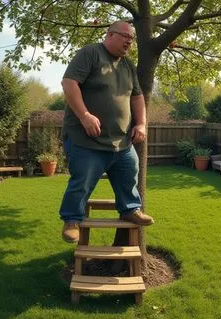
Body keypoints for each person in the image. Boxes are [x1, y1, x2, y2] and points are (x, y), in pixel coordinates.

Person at [59, 20, 154, 243]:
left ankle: (130, 209)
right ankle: (72, 220)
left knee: (129, 173)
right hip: (86, 139)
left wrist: (141, 124)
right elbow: (69, 83)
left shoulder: (128, 66)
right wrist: (85, 116)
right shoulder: (90, 53)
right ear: (110, 34)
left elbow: (137, 97)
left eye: (132, 39)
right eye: (125, 37)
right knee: (81, 182)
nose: (130, 42)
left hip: (121, 141)